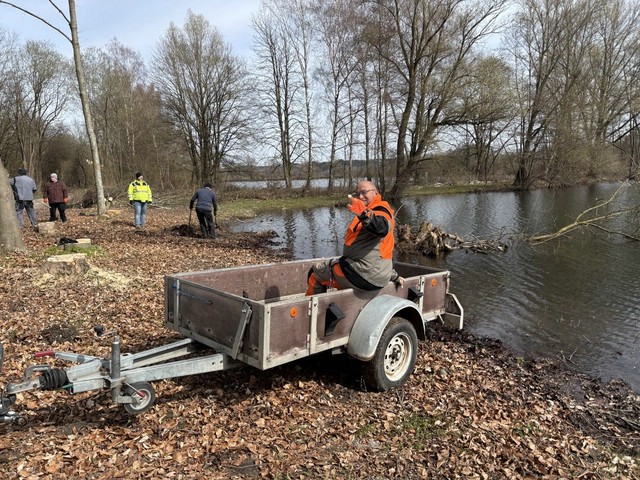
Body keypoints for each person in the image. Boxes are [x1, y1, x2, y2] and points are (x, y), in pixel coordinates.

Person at [306, 180, 403, 296]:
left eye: (364, 192)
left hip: (362, 274)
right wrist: (394, 276)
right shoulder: (371, 210)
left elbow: (381, 228)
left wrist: (364, 215)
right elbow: (380, 252)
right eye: (358, 194)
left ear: (376, 193)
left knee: (315, 272)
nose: (360, 197)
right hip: (374, 272)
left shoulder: (380, 212)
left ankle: (314, 307)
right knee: (338, 265)